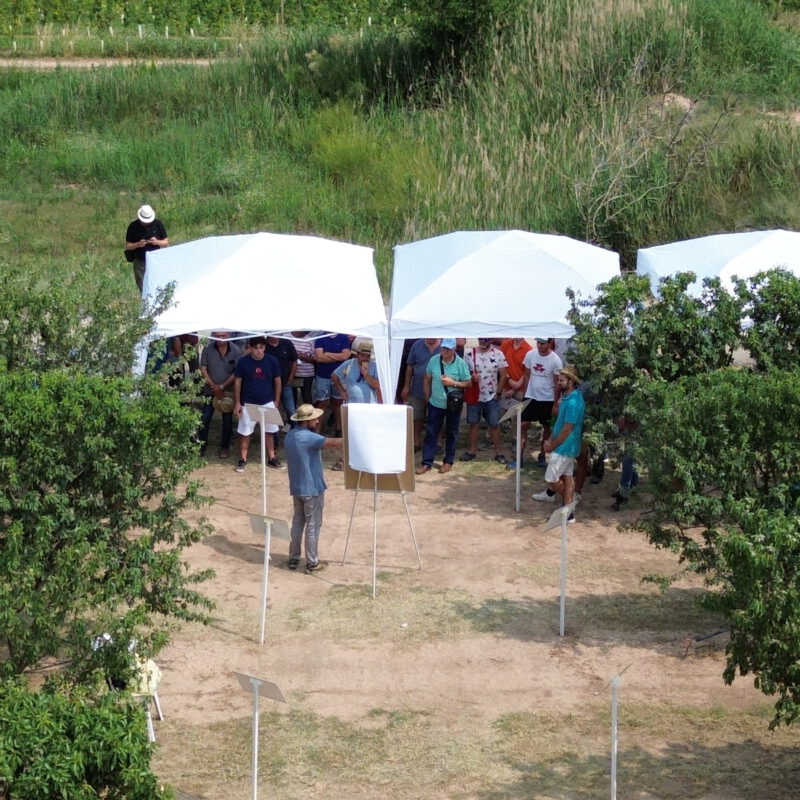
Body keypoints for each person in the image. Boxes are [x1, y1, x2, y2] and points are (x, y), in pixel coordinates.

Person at [284, 404, 343, 573]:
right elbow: (333, 443)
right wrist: (355, 438)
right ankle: (312, 561)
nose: (317, 421)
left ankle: (294, 558)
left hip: (297, 487)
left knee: (297, 523)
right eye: (314, 419)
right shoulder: (308, 438)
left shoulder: (290, 436)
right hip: (312, 489)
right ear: (306, 421)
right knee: (313, 525)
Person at [532, 365, 585, 523]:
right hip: (565, 446)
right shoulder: (568, 398)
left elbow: (567, 430)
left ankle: (569, 506)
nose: (558, 382)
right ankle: (569, 514)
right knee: (568, 477)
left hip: (565, 447)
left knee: (551, 478)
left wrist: (551, 446)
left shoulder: (574, 402)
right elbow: (560, 425)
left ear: (571, 381)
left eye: (562, 380)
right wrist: (550, 440)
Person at [416, 339, 471, 475]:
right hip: (435, 403)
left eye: (448, 349)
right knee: (431, 433)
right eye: (443, 348)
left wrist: (454, 383)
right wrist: (428, 398)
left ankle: (448, 461)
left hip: (453, 405)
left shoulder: (460, 364)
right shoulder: (434, 360)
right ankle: (426, 462)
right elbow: (427, 379)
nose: (445, 351)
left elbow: (468, 383)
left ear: (454, 350)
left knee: (452, 433)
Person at [510, 337, 563, 469]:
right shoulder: (530, 355)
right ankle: (519, 458)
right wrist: (526, 394)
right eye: (538, 343)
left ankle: (542, 455)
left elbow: (557, 384)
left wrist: (556, 403)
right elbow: (527, 375)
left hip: (547, 399)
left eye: (543, 343)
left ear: (550, 343)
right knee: (522, 425)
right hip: (531, 397)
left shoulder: (555, 360)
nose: (540, 346)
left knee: (547, 428)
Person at [233, 336, 284, 472]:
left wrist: (276, 401)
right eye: (255, 348)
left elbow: (277, 381)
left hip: (267, 401)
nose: (258, 351)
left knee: (270, 431)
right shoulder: (243, 362)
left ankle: (272, 458)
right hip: (247, 402)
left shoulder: (272, 361)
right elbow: (238, 381)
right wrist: (238, 402)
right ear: (250, 348)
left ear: (265, 348)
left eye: (261, 347)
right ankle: (243, 459)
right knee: (245, 432)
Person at [460, 338, 509, 463]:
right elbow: (463, 374)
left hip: (492, 396)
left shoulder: (498, 354)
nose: (482, 341)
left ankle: (499, 452)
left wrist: (498, 392)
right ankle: (472, 450)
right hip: (475, 395)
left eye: (485, 340)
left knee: (494, 425)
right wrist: (471, 377)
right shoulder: (469, 353)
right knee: (473, 424)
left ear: (490, 340)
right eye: (481, 339)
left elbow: (504, 375)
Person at [199, 332, 242, 458]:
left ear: (228, 336)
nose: (221, 338)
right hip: (210, 391)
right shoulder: (207, 348)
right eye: (218, 335)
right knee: (204, 419)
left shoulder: (235, 349)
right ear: (213, 335)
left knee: (227, 421)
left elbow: (237, 372)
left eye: (224, 336)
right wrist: (213, 386)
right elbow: (203, 369)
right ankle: (201, 445)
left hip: (227, 391)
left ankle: (225, 447)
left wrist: (222, 386)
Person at [401, 338, 441, 451]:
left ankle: (437, 443)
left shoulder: (444, 345)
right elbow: (410, 367)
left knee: (437, 417)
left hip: (437, 389)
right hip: (418, 388)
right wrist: (406, 385)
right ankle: (416, 442)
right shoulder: (417, 345)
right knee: (417, 417)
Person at [314, 332, 352, 436]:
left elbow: (345, 356)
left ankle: (339, 428)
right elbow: (319, 358)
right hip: (323, 375)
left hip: (339, 376)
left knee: (338, 402)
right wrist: (338, 356)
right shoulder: (320, 337)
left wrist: (327, 354)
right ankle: (317, 430)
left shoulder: (343, 337)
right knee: (322, 403)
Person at [125, 204, 168, 294]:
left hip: (156, 260)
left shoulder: (158, 224)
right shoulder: (133, 226)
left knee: (157, 283)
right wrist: (138, 244)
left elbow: (166, 242)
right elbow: (128, 246)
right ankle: (145, 303)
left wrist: (157, 242)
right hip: (140, 261)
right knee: (142, 285)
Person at [332, 340, 381, 405]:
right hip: (352, 404)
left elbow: (378, 386)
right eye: (363, 355)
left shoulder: (374, 366)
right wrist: (342, 392)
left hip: (370, 406)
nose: (365, 358)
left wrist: (367, 375)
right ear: (357, 354)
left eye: (368, 356)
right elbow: (334, 375)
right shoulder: (349, 363)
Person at [266, 335, 298, 429]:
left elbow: (294, 361)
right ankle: (273, 435)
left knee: (291, 410)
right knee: (271, 410)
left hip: (285, 383)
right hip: (269, 386)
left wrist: (291, 378)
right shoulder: (263, 345)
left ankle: (296, 431)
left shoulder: (287, 343)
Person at [500, 337, 533, 403]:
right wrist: (509, 379)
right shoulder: (505, 345)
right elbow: (500, 364)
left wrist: (514, 389)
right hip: (504, 387)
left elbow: (527, 371)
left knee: (518, 412)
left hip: (520, 390)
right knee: (502, 412)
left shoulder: (529, 350)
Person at [292, 332, 316, 405]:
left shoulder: (309, 340)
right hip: (292, 374)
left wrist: (303, 357)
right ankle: (291, 416)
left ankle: (311, 415)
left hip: (307, 374)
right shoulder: (287, 337)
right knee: (292, 398)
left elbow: (315, 359)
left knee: (307, 397)